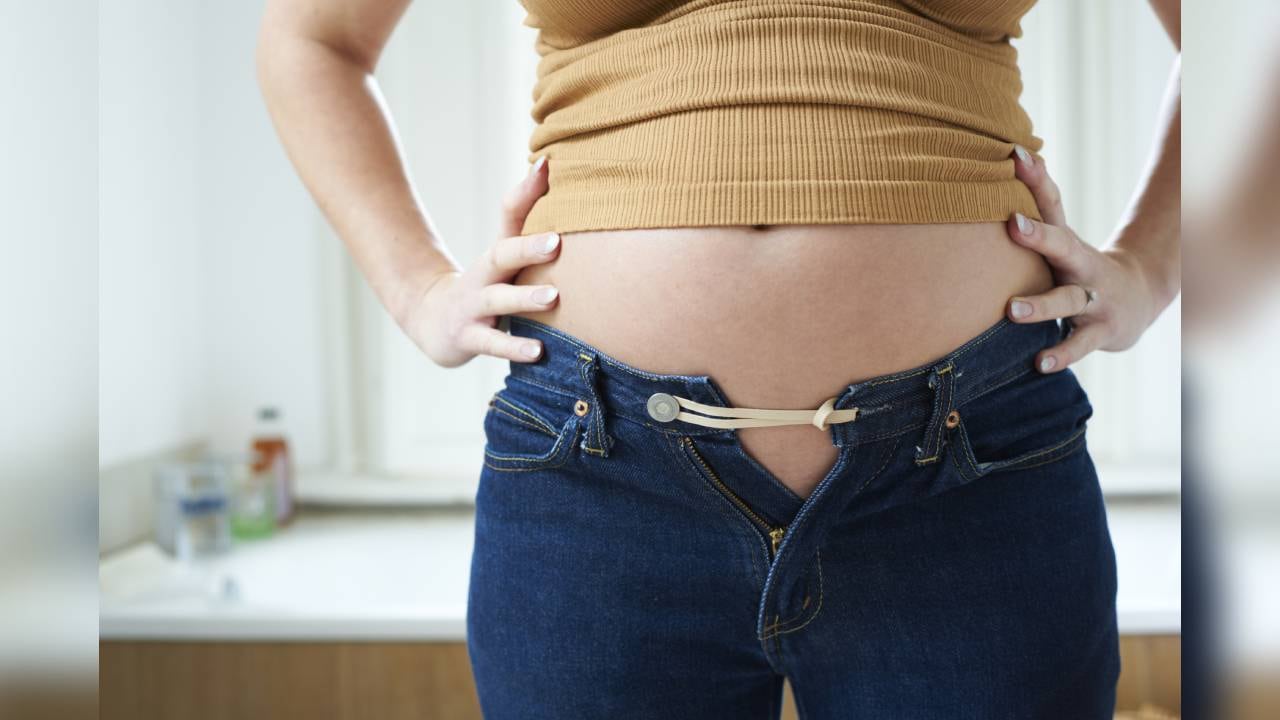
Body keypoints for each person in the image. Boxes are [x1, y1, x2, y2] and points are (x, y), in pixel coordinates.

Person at [256, 0, 1180, 717]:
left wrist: (1147, 268)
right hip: (600, 480)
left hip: (968, 472)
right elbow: (313, 40)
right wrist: (419, 291)